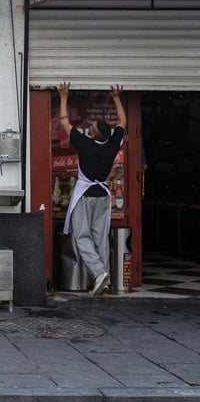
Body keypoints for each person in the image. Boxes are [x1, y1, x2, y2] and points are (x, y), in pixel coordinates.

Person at [58, 82, 127, 297]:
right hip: (103, 196)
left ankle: (98, 273)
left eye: (92, 127)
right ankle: (103, 278)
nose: (89, 127)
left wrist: (63, 96)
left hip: (85, 195)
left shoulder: (85, 144)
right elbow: (123, 122)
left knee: (82, 237)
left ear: (94, 135)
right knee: (101, 237)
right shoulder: (112, 144)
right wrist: (116, 98)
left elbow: (64, 123)